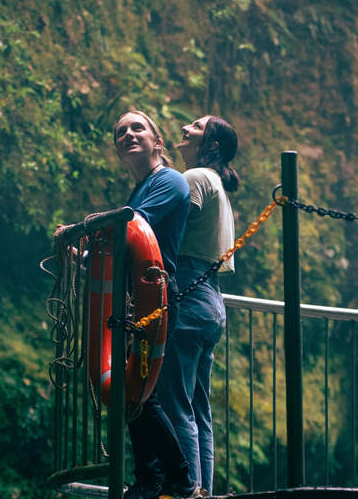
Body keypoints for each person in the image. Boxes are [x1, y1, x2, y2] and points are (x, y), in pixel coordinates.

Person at [114, 111, 204, 499]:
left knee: (140, 393)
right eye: (121, 131)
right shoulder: (140, 188)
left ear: (158, 142)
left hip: (158, 300)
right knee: (131, 391)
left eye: (137, 128)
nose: (129, 134)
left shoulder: (168, 181)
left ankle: (179, 478)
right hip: (139, 300)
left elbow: (134, 226)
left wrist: (92, 230)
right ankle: (149, 478)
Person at [156, 116, 239, 495]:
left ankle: (186, 491)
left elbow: (165, 232)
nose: (185, 128)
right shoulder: (218, 186)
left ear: (213, 144)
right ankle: (200, 490)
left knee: (175, 405)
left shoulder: (196, 179)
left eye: (196, 126)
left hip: (187, 293)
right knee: (197, 410)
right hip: (211, 300)